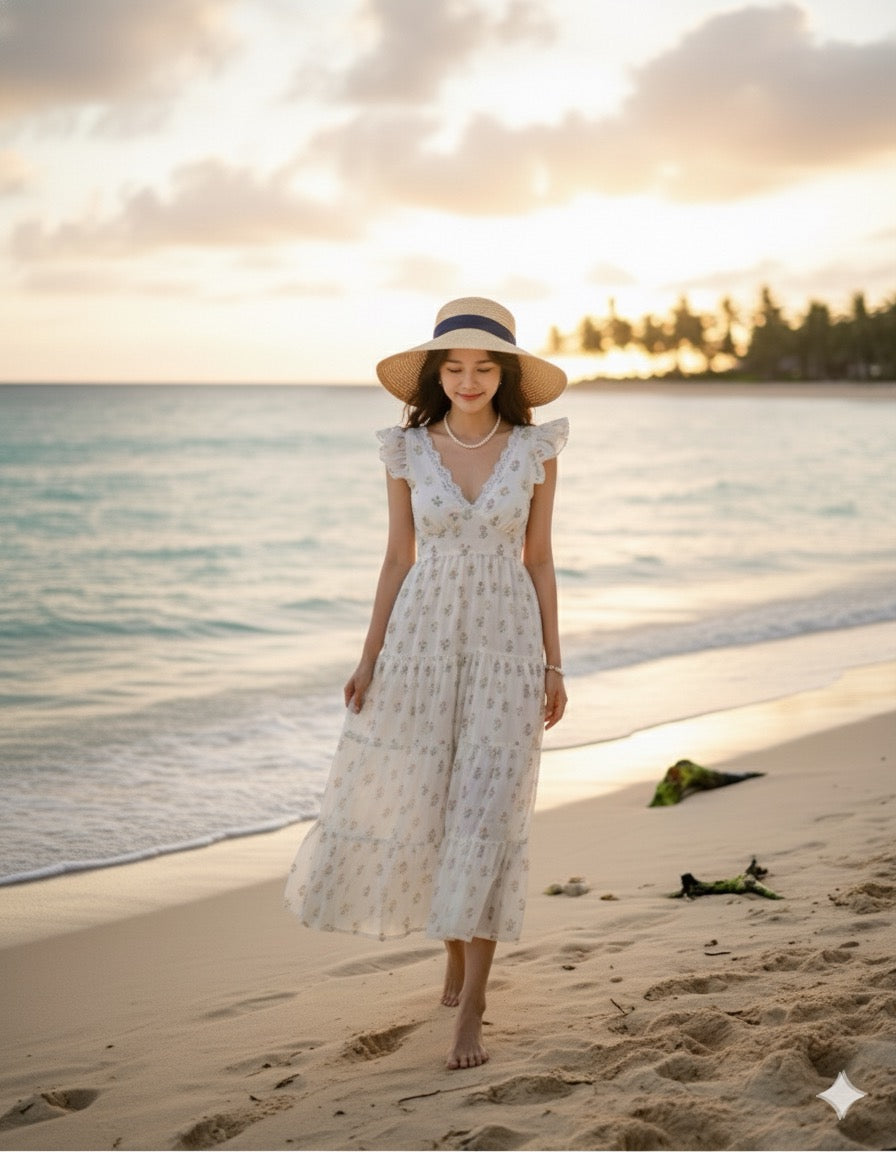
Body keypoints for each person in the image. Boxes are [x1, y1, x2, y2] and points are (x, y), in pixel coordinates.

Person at [285, 296, 568, 1070]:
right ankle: (452, 953)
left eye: (483, 366)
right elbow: (397, 557)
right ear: (437, 373)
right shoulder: (407, 451)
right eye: (455, 365)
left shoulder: (537, 449)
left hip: (507, 646)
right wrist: (369, 656)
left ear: (502, 374)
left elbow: (539, 560)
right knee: (435, 805)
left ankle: (473, 1005)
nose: (468, 379)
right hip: (421, 643)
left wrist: (554, 661)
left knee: (487, 811)